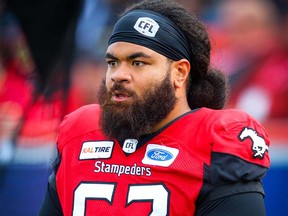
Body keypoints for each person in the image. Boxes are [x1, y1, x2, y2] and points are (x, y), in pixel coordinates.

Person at [38, 0, 270, 215]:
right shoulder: (80, 132)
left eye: (138, 63)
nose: (118, 76)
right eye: (112, 63)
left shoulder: (214, 144)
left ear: (179, 73)